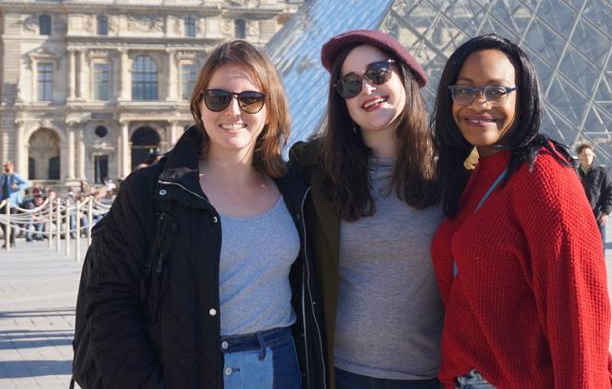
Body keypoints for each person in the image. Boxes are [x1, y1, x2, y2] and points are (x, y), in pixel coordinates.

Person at [85, 40, 327, 388]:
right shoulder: (149, 191)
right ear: (199, 105)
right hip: (194, 371)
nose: (233, 111)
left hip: (282, 366)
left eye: (250, 99)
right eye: (218, 98)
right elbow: (109, 301)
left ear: (270, 109)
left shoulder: (295, 188)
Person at [430, 34, 612, 388]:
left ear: (525, 95)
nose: (478, 103)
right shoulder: (475, 175)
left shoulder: (544, 176)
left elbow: (578, 310)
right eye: (465, 90)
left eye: (497, 90)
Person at [288, 29, 442, 389]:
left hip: (434, 376)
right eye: (350, 84)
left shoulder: (456, 171)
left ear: (405, 76)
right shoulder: (314, 173)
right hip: (342, 374)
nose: (367, 90)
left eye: (377, 74)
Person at [577, 143, 612, 248]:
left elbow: (610, 193)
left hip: (597, 216)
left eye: (589, 154)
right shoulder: (574, 173)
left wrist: (606, 212)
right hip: (580, 218)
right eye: (584, 155)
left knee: (599, 246)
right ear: (579, 156)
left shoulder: (602, 172)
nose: (587, 157)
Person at [1, 161, 29, 246]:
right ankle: (7, 238)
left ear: (12, 166)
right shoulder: (3, 176)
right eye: (5, 166)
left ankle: (12, 241)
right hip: (3, 200)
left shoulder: (15, 176)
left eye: (7, 166)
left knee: (12, 221)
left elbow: (26, 184)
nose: (6, 168)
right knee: (2, 220)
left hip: (13, 201)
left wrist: (17, 187)